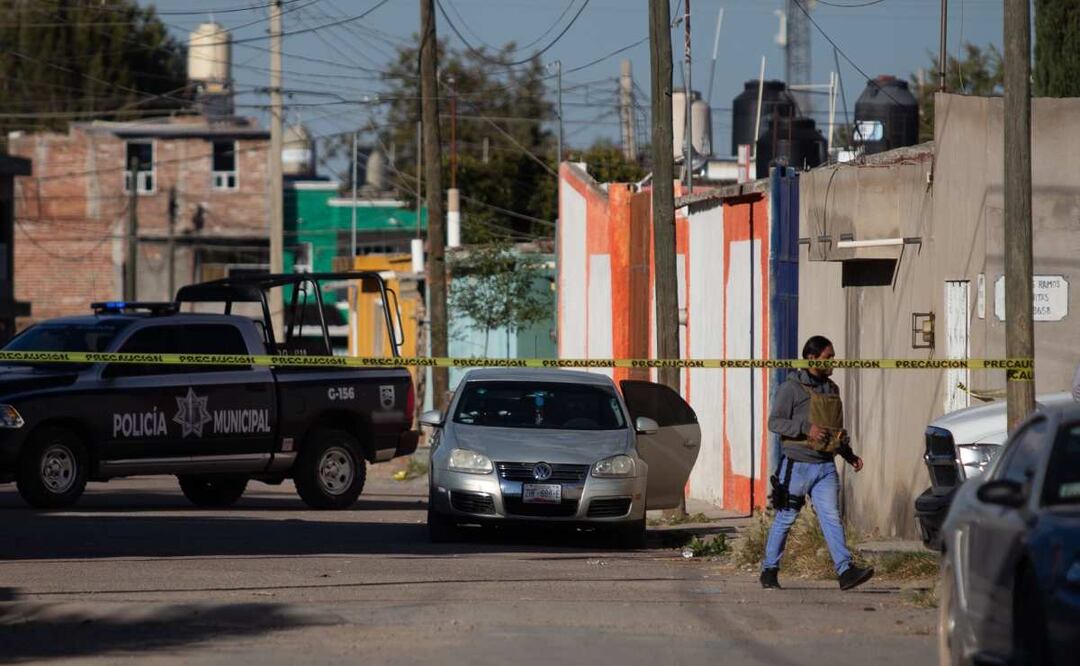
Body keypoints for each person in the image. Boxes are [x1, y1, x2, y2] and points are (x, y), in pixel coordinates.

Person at [759, 335, 875, 591]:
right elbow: (775, 423)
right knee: (786, 518)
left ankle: (845, 570)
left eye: (833, 357)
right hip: (797, 466)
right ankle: (769, 570)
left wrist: (849, 455)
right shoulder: (791, 388)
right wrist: (805, 428)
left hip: (825, 467)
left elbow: (834, 431)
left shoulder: (832, 390)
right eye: (828, 357)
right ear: (812, 358)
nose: (832, 361)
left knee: (832, 518)